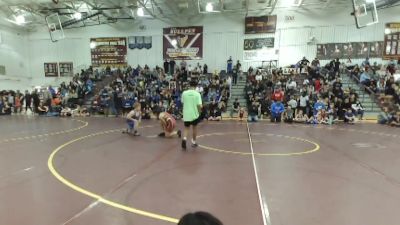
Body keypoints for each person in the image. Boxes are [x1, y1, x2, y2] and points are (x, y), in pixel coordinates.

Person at [181, 80, 203, 150]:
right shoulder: (197, 94)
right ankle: (193, 142)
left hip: (186, 114)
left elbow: (182, 102)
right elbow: (199, 105)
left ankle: (184, 139)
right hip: (194, 114)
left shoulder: (184, 93)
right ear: (196, 86)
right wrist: (200, 112)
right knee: (194, 128)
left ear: (189, 85)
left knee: (186, 128)